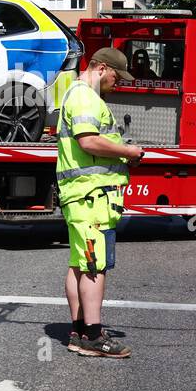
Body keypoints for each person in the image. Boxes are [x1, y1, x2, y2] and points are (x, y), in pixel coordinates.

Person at [57, 48, 145, 358]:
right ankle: (94, 336)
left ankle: (79, 332)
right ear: (102, 68)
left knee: (80, 264)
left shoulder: (79, 94)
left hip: (82, 195)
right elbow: (88, 141)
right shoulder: (85, 97)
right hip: (90, 196)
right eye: (116, 76)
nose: (117, 83)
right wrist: (129, 152)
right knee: (95, 265)